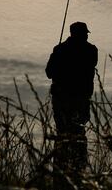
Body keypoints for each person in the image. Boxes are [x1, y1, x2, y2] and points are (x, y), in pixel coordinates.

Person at [45, 21, 98, 176]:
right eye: (85, 34)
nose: (86, 36)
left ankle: (60, 174)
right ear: (80, 34)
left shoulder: (60, 49)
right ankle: (78, 174)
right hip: (80, 98)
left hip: (61, 99)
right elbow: (91, 64)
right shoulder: (91, 50)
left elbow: (49, 72)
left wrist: (59, 56)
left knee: (62, 134)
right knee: (78, 134)